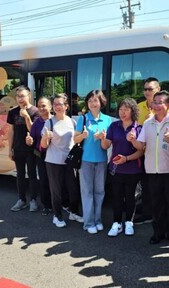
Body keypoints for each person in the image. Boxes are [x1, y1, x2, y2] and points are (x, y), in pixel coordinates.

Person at [131, 90, 169, 247]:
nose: (156, 105)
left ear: (168, 105)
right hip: (152, 171)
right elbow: (141, 146)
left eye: (160, 102)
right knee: (156, 204)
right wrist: (133, 140)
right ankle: (158, 233)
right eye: (155, 102)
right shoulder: (147, 123)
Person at [100, 98, 144, 237]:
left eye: (126, 109)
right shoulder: (114, 126)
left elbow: (141, 150)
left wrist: (127, 156)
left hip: (133, 169)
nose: (122, 112)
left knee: (130, 197)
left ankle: (129, 223)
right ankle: (116, 223)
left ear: (133, 111)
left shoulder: (139, 128)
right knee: (117, 196)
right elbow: (106, 146)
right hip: (116, 168)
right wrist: (102, 138)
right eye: (120, 109)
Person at [135, 77, 169, 225]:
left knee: (165, 191)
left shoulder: (168, 106)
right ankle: (147, 213)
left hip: (164, 155)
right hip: (145, 152)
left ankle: (163, 219)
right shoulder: (139, 107)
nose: (146, 92)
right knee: (146, 185)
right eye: (145, 89)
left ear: (158, 90)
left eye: (150, 89)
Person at [41, 93, 82, 228]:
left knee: (73, 189)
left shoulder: (72, 121)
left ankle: (73, 212)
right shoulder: (49, 122)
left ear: (66, 106)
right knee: (56, 191)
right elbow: (43, 145)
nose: (57, 107)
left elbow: (75, 140)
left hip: (69, 161)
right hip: (53, 161)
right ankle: (57, 216)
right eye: (55, 104)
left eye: (60, 104)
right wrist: (46, 137)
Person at [75, 89, 112, 234]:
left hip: (102, 160)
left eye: (95, 100)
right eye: (90, 101)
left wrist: (103, 138)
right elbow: (75, 139)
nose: (92, 103)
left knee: (100, 191)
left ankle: (98, 220)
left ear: (101, 102)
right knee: (87, 192)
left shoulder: (108, 120)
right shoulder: (83, 119)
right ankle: (88, 222)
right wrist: (83, 135)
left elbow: (108, 143)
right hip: (85, 160)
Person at [7, 86, 40, 212]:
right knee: (20, 175)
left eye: (23, 96)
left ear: (29, 96)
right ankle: (21, 200)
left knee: (32, 175)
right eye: (18, 96)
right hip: (18, 148)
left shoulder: (35, 111)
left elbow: (33, 130)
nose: (20, 99)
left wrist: (26, 116)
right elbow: (11, 131)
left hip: (31, 150)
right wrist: (9, 149)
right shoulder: (12, 112)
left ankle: (33, 200)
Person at [26, 97, 53, 216]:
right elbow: (32, 139)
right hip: (41, 155)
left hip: (55, 155)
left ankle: (59, 203)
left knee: (56, 181)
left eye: (44, 106)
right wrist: (29, 140)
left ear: (50, 107)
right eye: (39, 106)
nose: (41, 108)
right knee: (44, 180)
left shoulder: (56, 120)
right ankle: (47, 205)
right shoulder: (37, 122)